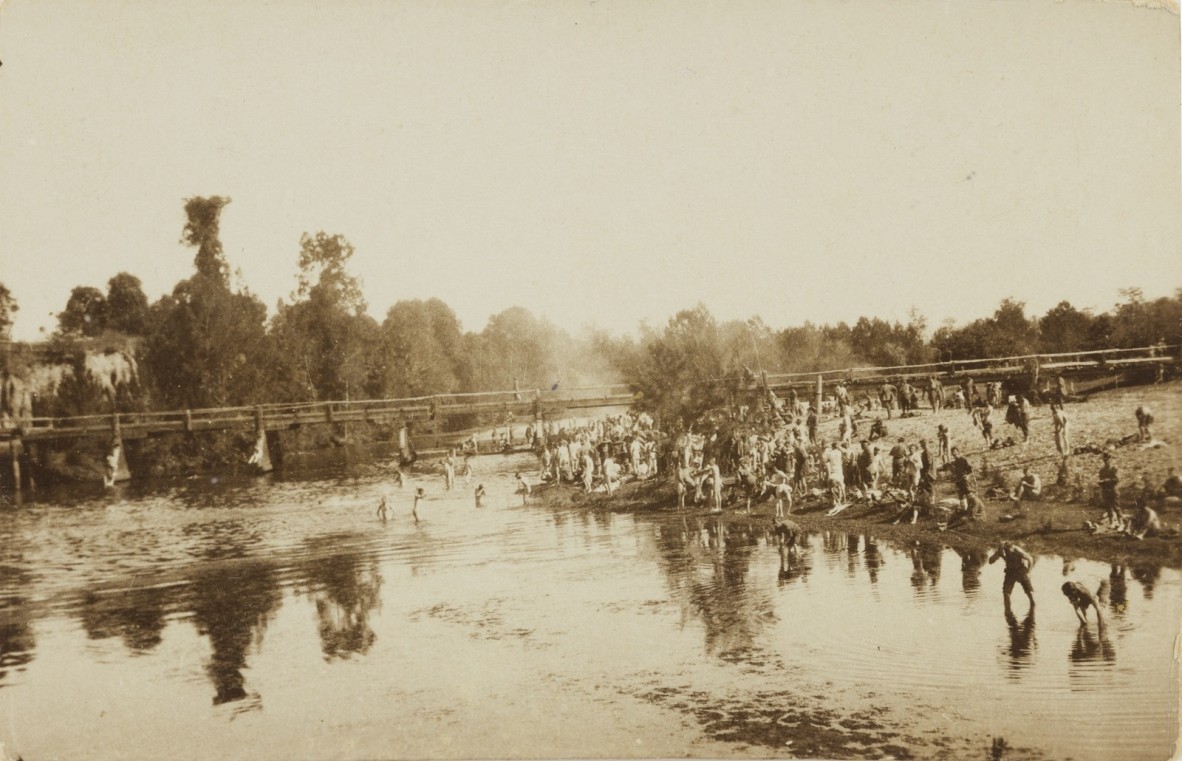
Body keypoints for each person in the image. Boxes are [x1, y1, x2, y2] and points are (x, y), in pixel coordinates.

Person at [989, 541, 1035, 610]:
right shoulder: (1002, 550)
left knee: (1029, 592)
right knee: (1006, 593)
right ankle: (1008, 611)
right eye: (1006, 551)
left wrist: (1029, 571)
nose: (1008, 552)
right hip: (1010, 572)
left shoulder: (1017, 550)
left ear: (1012, 548)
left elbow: (1030, 559)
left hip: (1021, 571)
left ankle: (1032, 609)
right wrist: (999, 554)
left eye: (1009, 550)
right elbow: (990, 561)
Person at [1098, 452, 1121, 526]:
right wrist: (1100, 482)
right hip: (1105, 490)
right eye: (1104, 460)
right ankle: (1112, 522)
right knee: (1107, 506)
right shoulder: (1102, 470)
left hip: (1112, 489)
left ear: (1110, 460)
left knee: (1116, 506)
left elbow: (1117, 480)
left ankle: (1120, 522)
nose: (1106, 461)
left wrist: (1107, 480)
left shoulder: (1114, 469)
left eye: (1107, 460)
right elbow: (1101, 479)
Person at [950, 446, 974, 513]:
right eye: (952, 452)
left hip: (965, 480)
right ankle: (964, 511)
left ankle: (973, 510)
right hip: (959, 481)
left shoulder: (963, 459)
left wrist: (968, 476)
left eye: (955, 452)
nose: (954, 454)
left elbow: (971, 470)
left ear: (958, 452)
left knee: (969, 494)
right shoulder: (955, 462)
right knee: (961, 496)